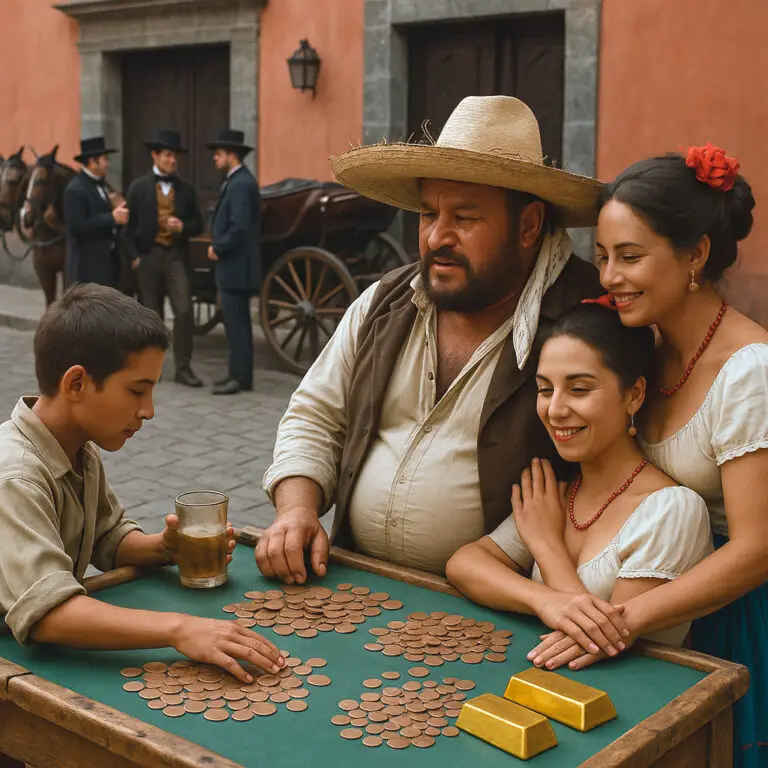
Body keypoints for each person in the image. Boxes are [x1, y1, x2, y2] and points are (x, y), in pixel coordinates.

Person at [257, 96, 602, 584]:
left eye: (464, 218)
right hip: (353, 580)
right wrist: (295, 508)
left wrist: (496, 558)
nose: (438, 236)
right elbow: (316, 414)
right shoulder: (385, 300)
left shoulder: (587, 319)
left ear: (528, 226)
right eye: (427, 214)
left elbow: (604, 476)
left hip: (502, 608)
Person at [524, 146, 768, 767]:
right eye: (603, 257)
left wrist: (619, 622)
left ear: (695, 254)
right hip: (643, 589)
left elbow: (756, 548)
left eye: (631, 257)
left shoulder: (749, 373)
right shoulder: (641, 344)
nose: (609, 277)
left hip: (724, 607)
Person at [0, 284, 284, 682]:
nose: (148, 411)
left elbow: (107, 539)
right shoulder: (15, 475)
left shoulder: (80, 447)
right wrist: (180, 629)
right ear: (76, 384)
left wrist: (164, 548)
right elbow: (49, 613)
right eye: (137, 391)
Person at [446, 302, 713, 650]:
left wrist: (546, 547)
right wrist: (544, 602)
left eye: (579, 389)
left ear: (633, 395)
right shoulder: (558, 492)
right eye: (545, 389)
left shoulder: (671, 511)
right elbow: (465, 564)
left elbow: (602, 638)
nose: (555, 410)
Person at [125, 129, 204, 388]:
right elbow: (126, 230)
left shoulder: (186, 190)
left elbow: (198, 224)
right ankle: (151, 369)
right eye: (168, 156)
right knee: (151, 317)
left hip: (175, 257)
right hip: (148, 257)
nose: (173, 161)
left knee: (183, 311)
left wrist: (183, 226)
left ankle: (183, 367)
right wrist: (135, 257)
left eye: (175, 157)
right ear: (155, 155)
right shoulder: (138, 188)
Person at [206, 129, 261, 396]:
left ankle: (239, 378)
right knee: (235, 321)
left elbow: (239, 227)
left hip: (236, 266)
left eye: (218, 154)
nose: (215, 159)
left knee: (237, 323)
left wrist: (219, 246)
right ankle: (237, 374)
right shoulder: (237, 181)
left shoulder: (241, 184)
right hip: (235, 266)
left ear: (231, 155)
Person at [63, 137, 129, 288]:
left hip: (108, 264)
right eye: (105, 159)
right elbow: (76, 226)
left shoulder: (104, 185)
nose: (108, 164)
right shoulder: (76, 189)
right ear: (92, 162)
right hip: (87, 268)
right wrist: (111, 218)